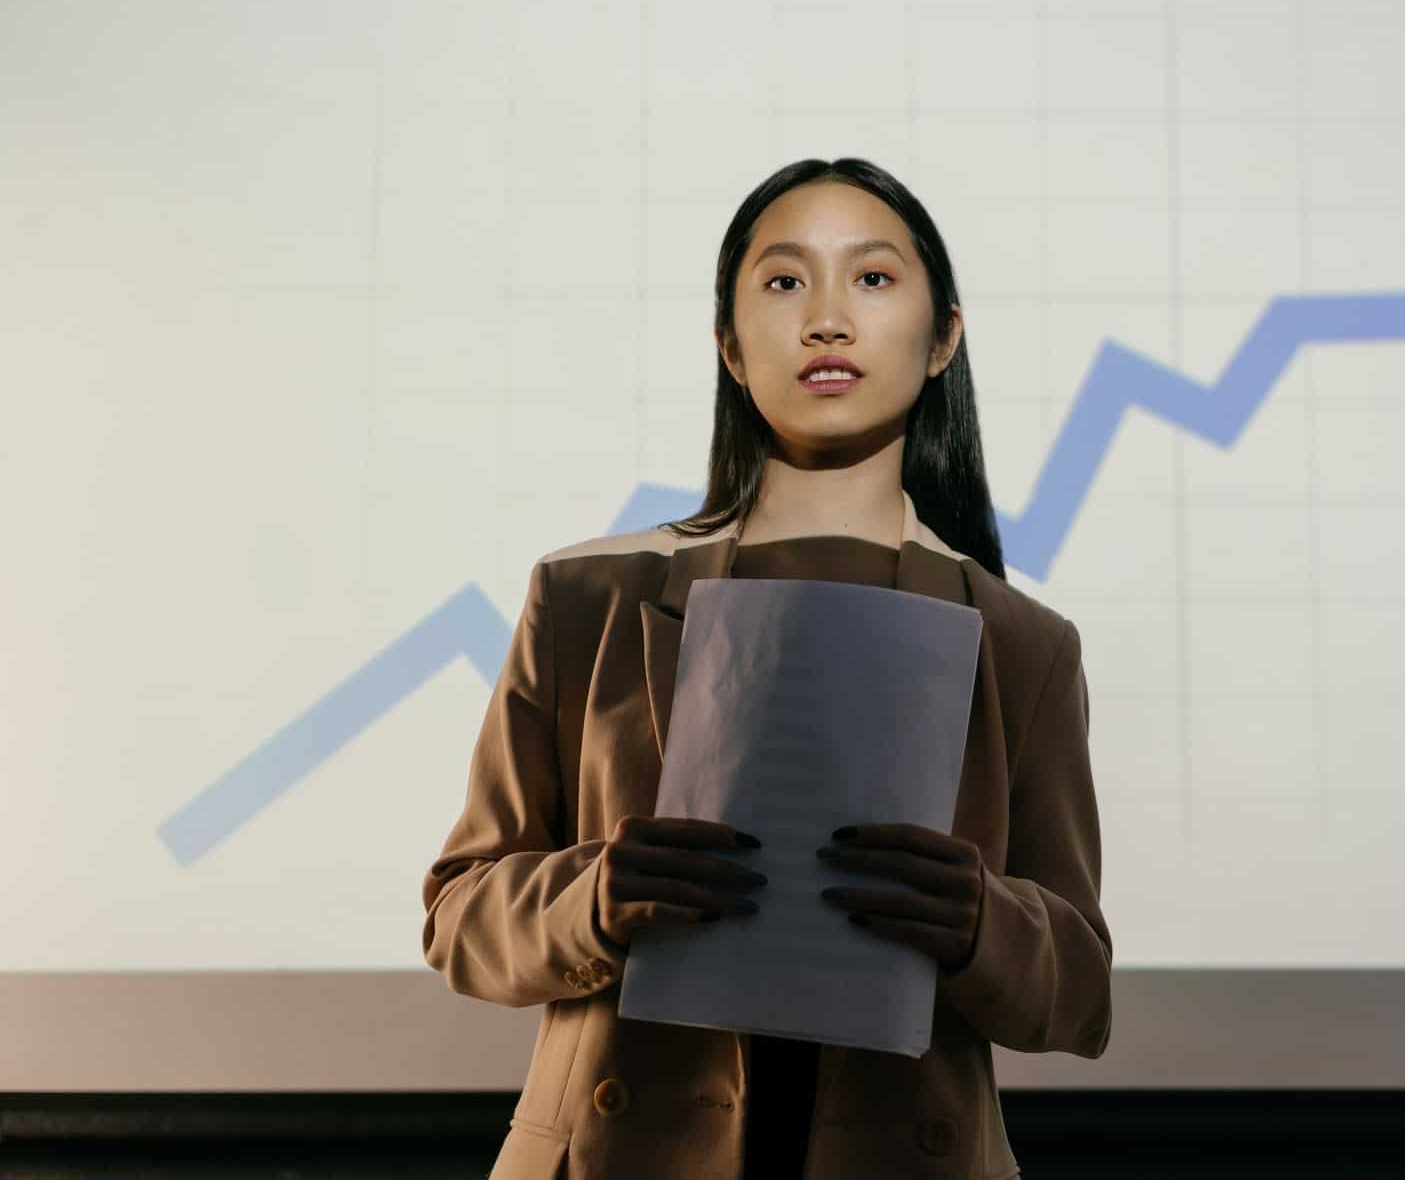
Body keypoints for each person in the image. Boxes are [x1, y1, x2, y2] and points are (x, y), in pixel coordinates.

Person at [421, 157, 1112, 1179]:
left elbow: (1081, 990)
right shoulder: (584, 599)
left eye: (873, 279)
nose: (827, 319)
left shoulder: (1023, 642)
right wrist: (594, 894)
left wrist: (983, 921)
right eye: (784, 282)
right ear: (729, 347)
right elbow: (459, 914)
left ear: (945, 337)